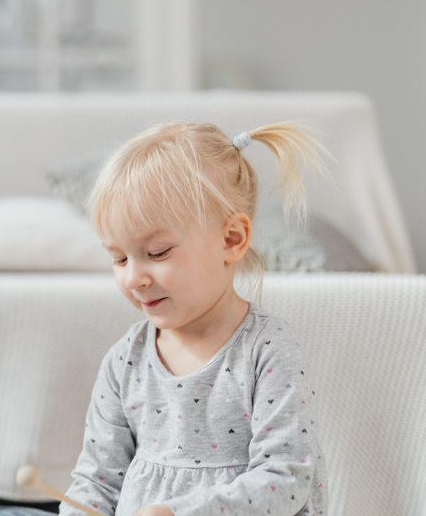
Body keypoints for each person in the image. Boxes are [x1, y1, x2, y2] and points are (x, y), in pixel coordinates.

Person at [60, 123, 329, 516]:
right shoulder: (124, 362)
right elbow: (96, 480)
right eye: (119, 258)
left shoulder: (268, 349)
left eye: (157, 252)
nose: (134, 277)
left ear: (231, 240)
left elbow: (286, 479)